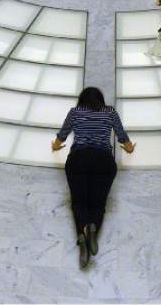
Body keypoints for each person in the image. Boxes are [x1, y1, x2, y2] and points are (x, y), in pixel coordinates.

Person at [52, 87, 135, 269]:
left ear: (82, 99)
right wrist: (129, 148)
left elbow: (62, 134)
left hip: (78, 159)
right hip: (104, 161)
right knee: (98, 203)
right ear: (101, 100)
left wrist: (56, 146)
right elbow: (122, 136)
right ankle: (92, 228)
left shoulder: (75, 112)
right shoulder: (110, 112)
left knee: (79, 201)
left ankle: (82, 233)